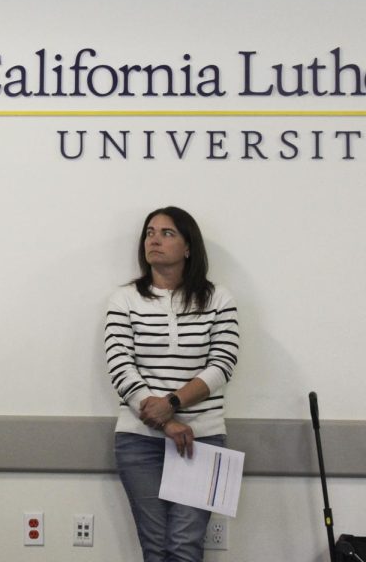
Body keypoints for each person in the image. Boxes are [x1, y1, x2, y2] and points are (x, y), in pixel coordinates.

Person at [104, 206, 240, 562]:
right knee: (156, 548)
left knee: (184, 547)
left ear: (188, 247)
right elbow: (120, 366)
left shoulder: (218, 298)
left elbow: (222, 364)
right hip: (139, 441)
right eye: (150, 232)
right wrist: (165, 420)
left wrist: (173, 404)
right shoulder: (125, 299)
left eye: (167, 233)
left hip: (202, 438)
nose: (155, 240)